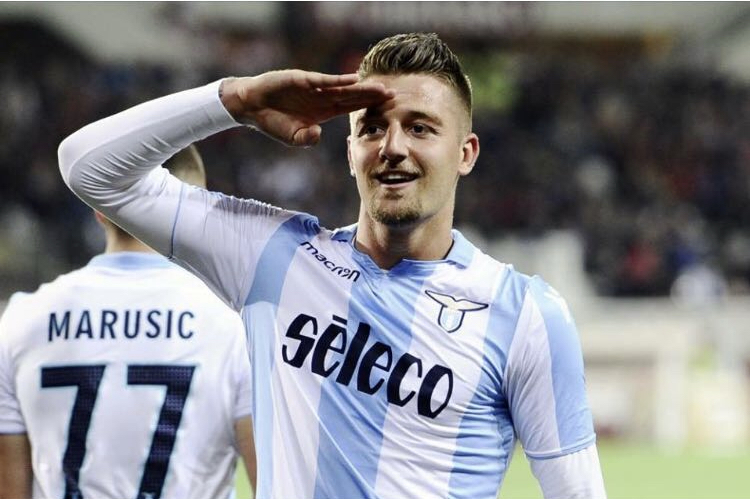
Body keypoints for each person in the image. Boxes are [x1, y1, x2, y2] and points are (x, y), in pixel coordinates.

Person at [58, 32, 606, 499]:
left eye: (420, 128)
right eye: (372, 128)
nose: (392, 146)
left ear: (466, 153)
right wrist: (237, 100)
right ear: (349, 151)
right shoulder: (273, 255)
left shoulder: (525, 315)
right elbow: (89, 168)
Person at [0, 146, 256, 499]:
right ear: (195, 210)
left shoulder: (20, 321)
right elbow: (275, 483)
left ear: (98, 208)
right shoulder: (233, 326)